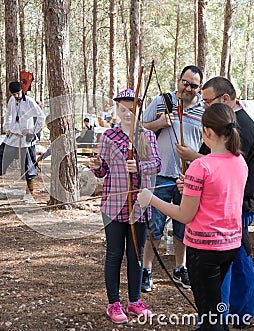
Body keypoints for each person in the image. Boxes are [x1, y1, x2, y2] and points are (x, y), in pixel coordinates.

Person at [139, 103, 248, 331]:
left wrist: (151, 198)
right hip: (230, 246)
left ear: (207, 131)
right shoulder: (239, 161)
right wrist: (188, 186)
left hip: (204, 250)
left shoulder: (201, 165)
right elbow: (214, 195)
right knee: (215, 307)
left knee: (209, 316)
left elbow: (185, 215)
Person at [176, 76, 254, 329]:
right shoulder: (231, 125)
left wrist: (194, 159)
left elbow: (224, 174)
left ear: (225, 99)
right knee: (233, 256)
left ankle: (228, 315)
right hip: (232, 205)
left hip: (239, 205)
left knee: (234, 258)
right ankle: (224, 316)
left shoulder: (239, 128)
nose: (204, 106)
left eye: (207, 101)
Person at [89, 88, 161, 324]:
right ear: (117, 111)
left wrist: (139, 167)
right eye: (123, 109)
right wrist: (97, 165)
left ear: (139, 110)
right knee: (114, 253)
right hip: (113, 204)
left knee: (136, 254)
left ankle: (134, 301)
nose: (128, 113)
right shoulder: (109, 136)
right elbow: (103, 172)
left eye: (132, 109)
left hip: (138, 205)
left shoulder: (147, 136)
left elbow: (157, 164)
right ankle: (113, 303)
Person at [141, 65, 204, 292]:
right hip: (160, 175)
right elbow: (141, 127)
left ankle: (180, 268)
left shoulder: (204, 110)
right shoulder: (162, 101)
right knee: (155, 226)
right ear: (178, 80)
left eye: (193, 85)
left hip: (189, 178)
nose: (188, 88)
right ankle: (146, 270)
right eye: (185, 82)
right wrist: (158, 123)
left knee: (184, 227)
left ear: (200, 88)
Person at [0, 81, 45, 198]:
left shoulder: (30, 102)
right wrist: (9, 127)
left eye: (18, 93)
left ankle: (30, 191)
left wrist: (33, 131)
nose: (16, 96)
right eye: (14, 94)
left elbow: (41, 117)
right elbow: (8, 114)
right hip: (12, 138)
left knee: (28, 165)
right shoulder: (12, 100)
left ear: (21, 90)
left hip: (25, 139)